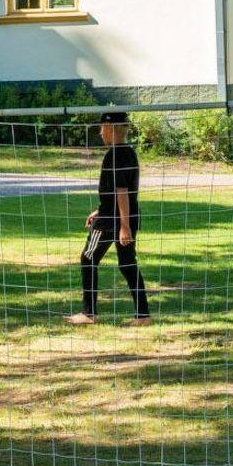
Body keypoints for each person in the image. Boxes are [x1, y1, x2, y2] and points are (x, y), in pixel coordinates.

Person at [73, 110, 147, 325]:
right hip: (124, 215)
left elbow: (121, 190)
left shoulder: (114, 155)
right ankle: (143, 315)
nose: (100, 132)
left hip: (113, 219)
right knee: (127, 264)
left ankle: (88, 313)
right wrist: (101, 209)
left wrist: (123, 225)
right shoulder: (129, 152)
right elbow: (120, 192)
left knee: (88, 258)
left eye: (102, 128)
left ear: (112, 129)